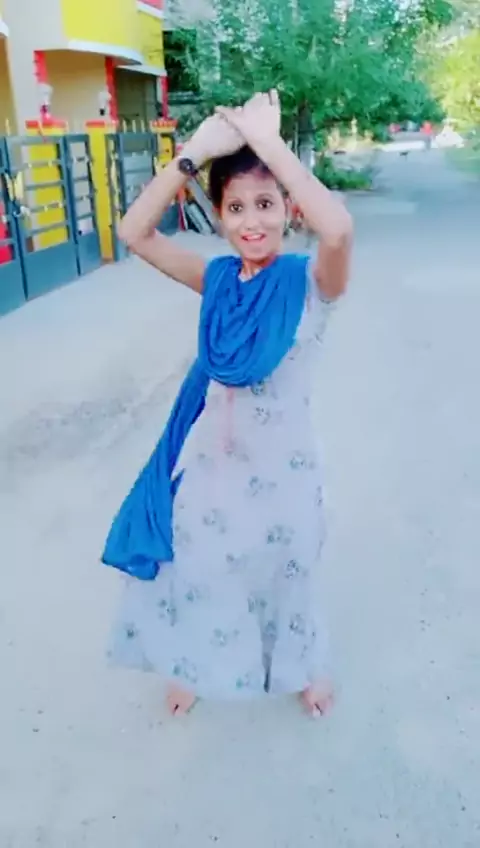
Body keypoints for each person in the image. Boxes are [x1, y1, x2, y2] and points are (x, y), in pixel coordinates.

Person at [104, 91, 353, 717]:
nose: (251, 222)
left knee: (289, 575)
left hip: (286, 471)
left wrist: (268, 143)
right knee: (199, 570)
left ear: (288, 208)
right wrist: (194, 153)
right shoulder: (215, 279)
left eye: (266, 204)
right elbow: (132, 233)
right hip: (213, 470)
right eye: (236, 207)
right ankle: (193, 662)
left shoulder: (311, 283)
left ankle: (304, 670)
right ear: (217, 214)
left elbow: (339, 229)